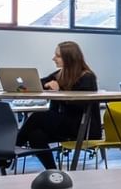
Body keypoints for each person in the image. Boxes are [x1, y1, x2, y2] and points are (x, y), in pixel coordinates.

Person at [16, 41, 100, 170]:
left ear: (69, 58)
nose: (53, 58)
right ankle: (53, 172)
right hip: (64, 124)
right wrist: (44, 85)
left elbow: (80, 105)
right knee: (36, 135)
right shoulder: (60, 74)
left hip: (82, 127)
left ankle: (11, 151)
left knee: (37, 117)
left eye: (58, 56)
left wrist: (59, 91)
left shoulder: (87, 77)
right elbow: (39, 83)